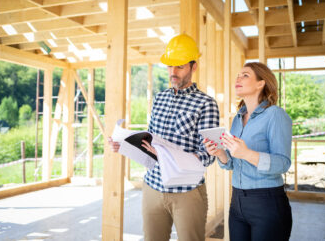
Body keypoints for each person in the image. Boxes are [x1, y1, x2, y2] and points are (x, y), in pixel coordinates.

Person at [108, 34, 219, 241]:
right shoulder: (159, 98)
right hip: (152, 186)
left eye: (179, 67)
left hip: (187, 192)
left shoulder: (206, 104)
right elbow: (150, 142)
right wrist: (123, 144)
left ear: (193, 67)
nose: (173, 72)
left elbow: (208, 156)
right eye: (169, 66)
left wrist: (170, 155)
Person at [203, 62, 293, 241]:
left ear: (261, 83)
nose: (238, 78)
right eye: (238, 75)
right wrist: (220, 153)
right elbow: (232, 163)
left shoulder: (275, 115)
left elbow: (283, 163)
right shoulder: (237, 118)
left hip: (267, 203)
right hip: (237, 202)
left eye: (245, 75)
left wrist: (246, 153)